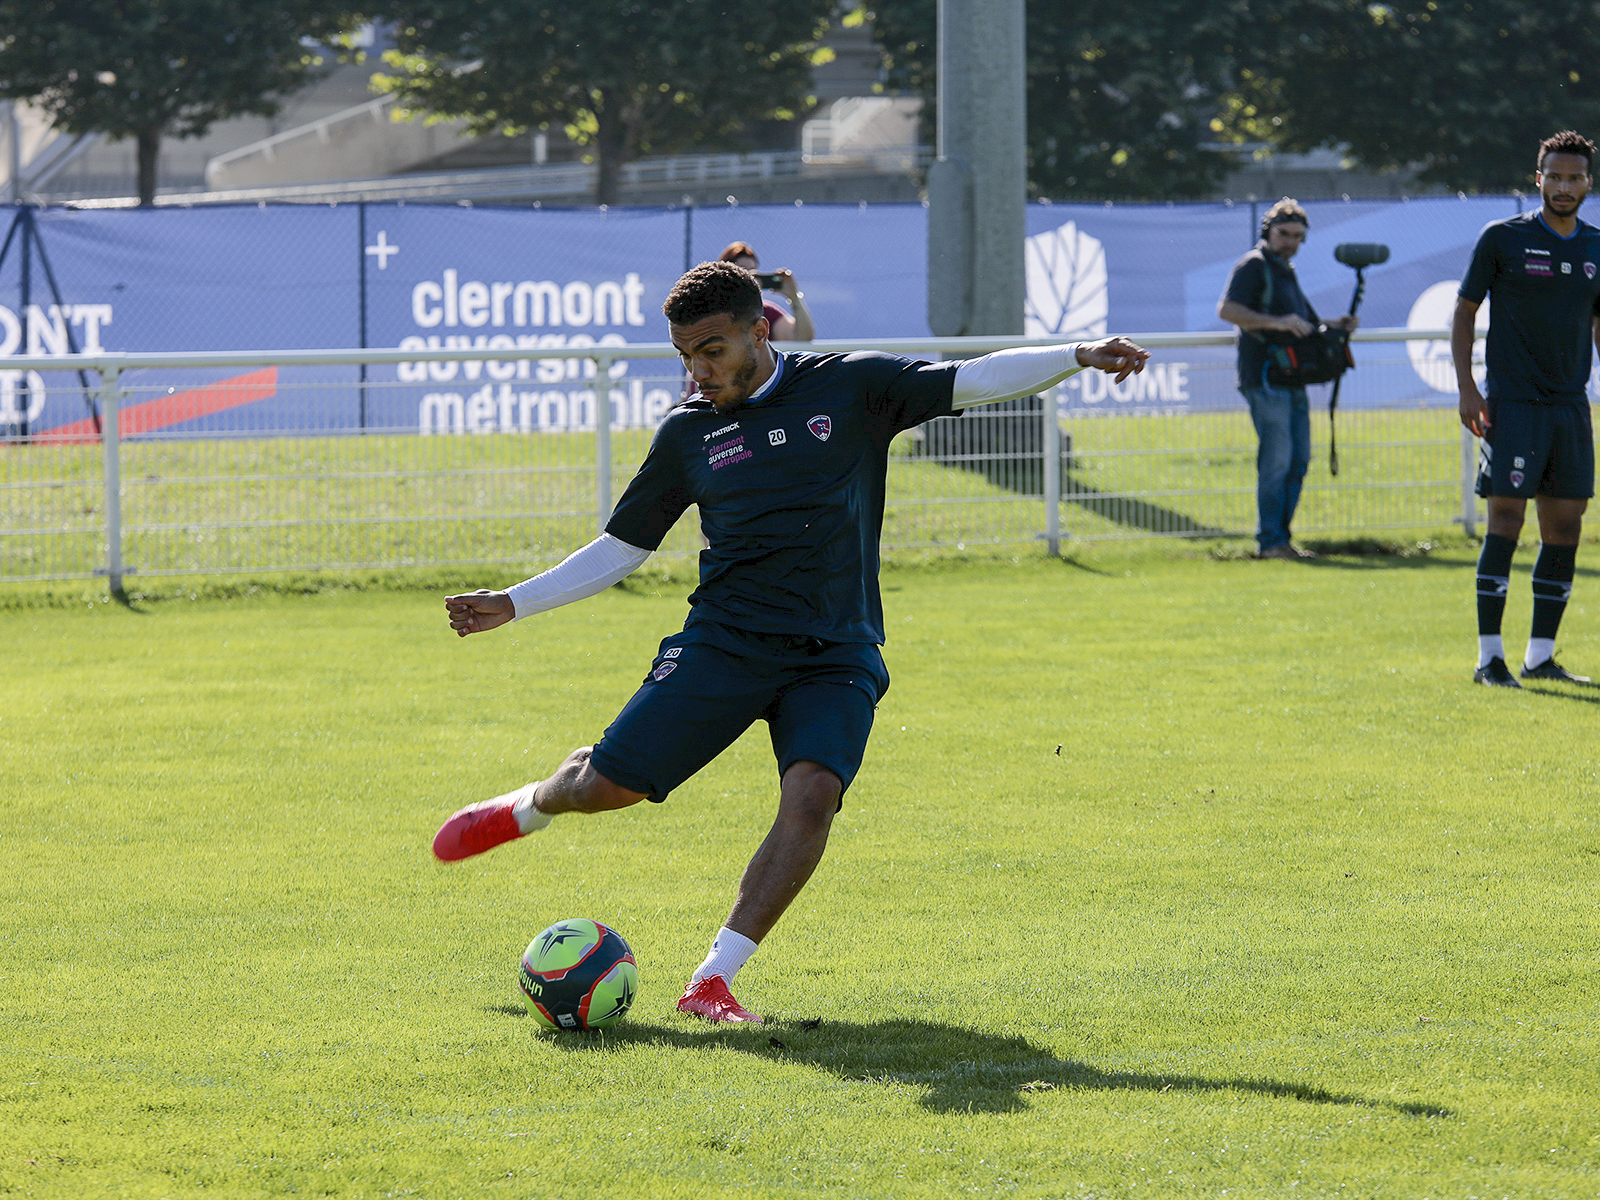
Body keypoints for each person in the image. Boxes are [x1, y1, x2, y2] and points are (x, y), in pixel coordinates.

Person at [432, 260, 1149, 1023]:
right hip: (726, 643)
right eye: (685, 355)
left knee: (813, 798)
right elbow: (624, 547)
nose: (698, 371)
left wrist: (1077, 354)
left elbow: (969, 380)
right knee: (606, 789)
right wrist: (513, 602)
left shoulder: (851, 387)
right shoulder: (688, 433)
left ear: (759, 331)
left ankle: (711, 980)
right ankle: (531, 805)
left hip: (837, 650)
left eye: (712, 351)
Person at [1454, 130, 1600, 689]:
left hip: (1570, 407)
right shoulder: (1502, 238)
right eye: (1554, 176)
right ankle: (1488, 659)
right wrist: (1468, 389)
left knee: (1565, 525)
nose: (1564, 186)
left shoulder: (1596, 247)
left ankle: (1540, 658)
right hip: (1512, 404)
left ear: (1588, 184)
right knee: (1506, 521)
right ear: (1538, 179)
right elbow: (1465, 312)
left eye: (1574, 177)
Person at [1217, 198, 1359, 560]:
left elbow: (1303, 323)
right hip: (1265, 378)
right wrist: (1277, 323)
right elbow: (1227, 309)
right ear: (1267, 232)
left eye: (1298, 236)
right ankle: (1270, 542)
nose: (1291, 242)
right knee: (1277, 462)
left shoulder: (1285, 269)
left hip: (1290, 379)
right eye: (1284, 234)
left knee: (1298, 461)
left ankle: (1282, 540)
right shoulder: (1253, 265)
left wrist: (1334, 325)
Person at [720, 241, 815, 341]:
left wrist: (794, 297)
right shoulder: (715, 312)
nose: (748, 277)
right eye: (742, 271)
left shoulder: (767, 313)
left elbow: (803, 338)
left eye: (752, 271)